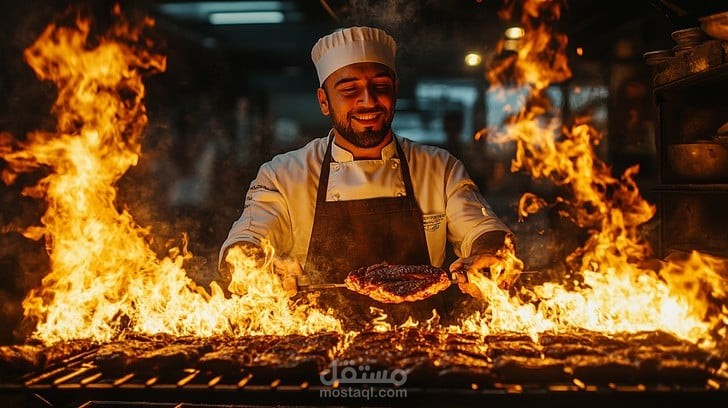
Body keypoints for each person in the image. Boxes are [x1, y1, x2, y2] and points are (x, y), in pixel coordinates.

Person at [219, 26, 513, 328]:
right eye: (349, 90)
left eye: (381, 86)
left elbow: (483, 228)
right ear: (323, 101)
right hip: (317, 345)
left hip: (422, 345)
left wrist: (487, 253)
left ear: (395, 89)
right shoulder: (283, 174)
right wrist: (257, 266)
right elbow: (246, 241)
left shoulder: (438, 168)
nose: (368, 100)